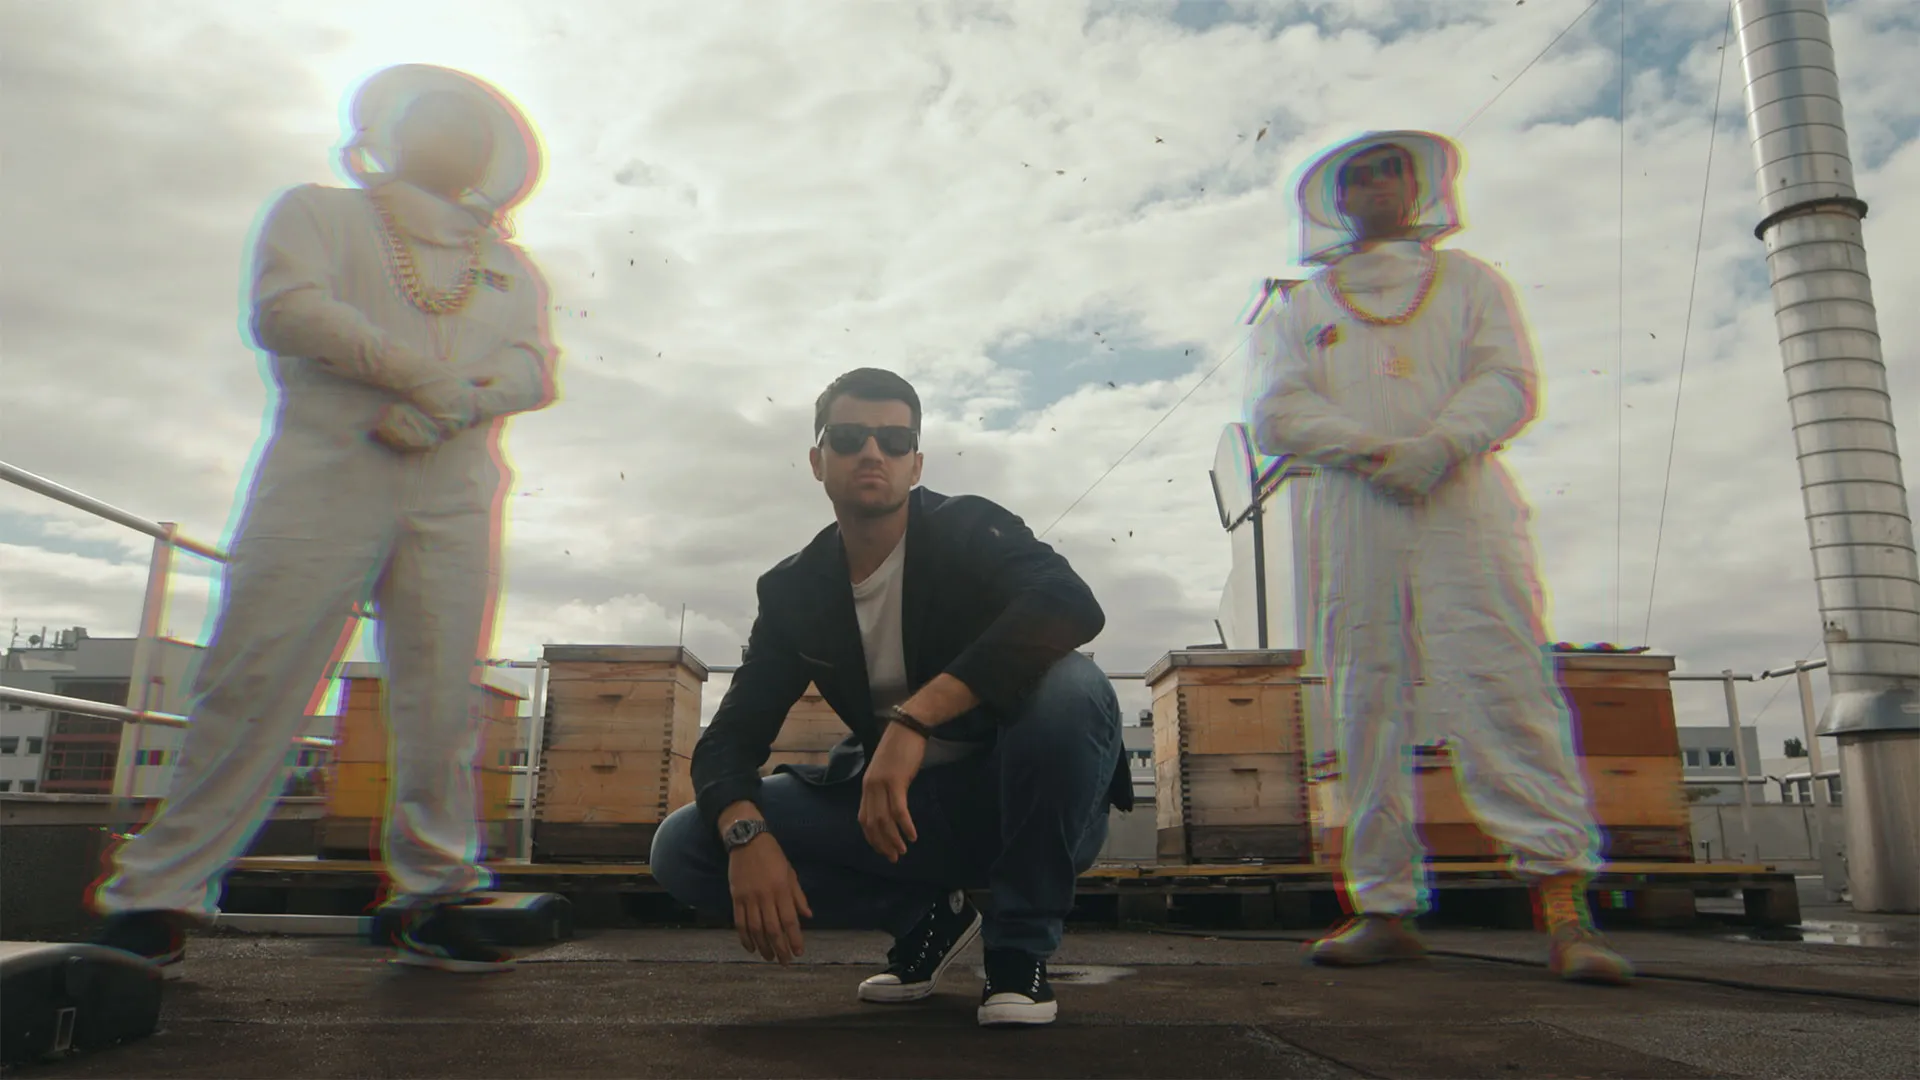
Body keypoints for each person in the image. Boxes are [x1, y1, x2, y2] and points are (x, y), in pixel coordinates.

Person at [88, 64, 557, 975]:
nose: (453, 136)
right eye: (435, 117)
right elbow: (288, 311)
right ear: (391, 128)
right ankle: (157, 895)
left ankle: (434, 890)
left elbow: (535, 369)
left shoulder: (510, 267)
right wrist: (420, 378)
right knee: (255, 675)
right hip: (325, 473)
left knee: (441, 696)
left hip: (456, 489)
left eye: (472, 128)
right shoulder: (317, 212)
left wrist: (453, 408)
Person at [1250, 130, 1633, 985]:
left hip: (1463, 498)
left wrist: (1438, 446)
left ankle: (1565, 908)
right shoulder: (1302, 307)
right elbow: (1276, 411)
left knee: (1501, 676)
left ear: (1418, 184)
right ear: (1337, 199)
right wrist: (1374, 452)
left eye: (1391, 170)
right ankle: (1383, 907)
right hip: (1355, 508)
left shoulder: (1470, 282)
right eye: (1360, 176)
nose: (1377, 185)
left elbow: (1507, 381)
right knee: (1365, 693)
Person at [649, 368, 1131, 1027]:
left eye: (894, 440)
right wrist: (745, 833)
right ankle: (926, 920)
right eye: (849, 437)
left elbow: (1070, 604)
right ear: (818, 461)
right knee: (683, 845)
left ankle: (1019, 952)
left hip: (1027, 804)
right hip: (902, 820)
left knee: (1071, 685)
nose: (872, 452)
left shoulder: (970, 528)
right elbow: (729, 739)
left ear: (916, 463)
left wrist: (914, 720)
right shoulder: (794, 591)